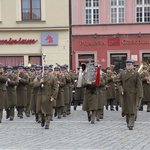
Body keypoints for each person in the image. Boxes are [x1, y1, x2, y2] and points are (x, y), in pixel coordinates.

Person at [118, 60, 143, 130]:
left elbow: (139, 85)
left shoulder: (136, 74)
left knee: (132, 109)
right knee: (126, 110)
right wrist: (121, 89)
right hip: (125, 94)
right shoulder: (122, 73)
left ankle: (131, 123)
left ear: (132, 65)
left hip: (133, 94)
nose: (128, 66)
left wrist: (140, 94)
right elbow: (118, 83)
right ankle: (128, 121)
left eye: (129, 65)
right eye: (127, 65)